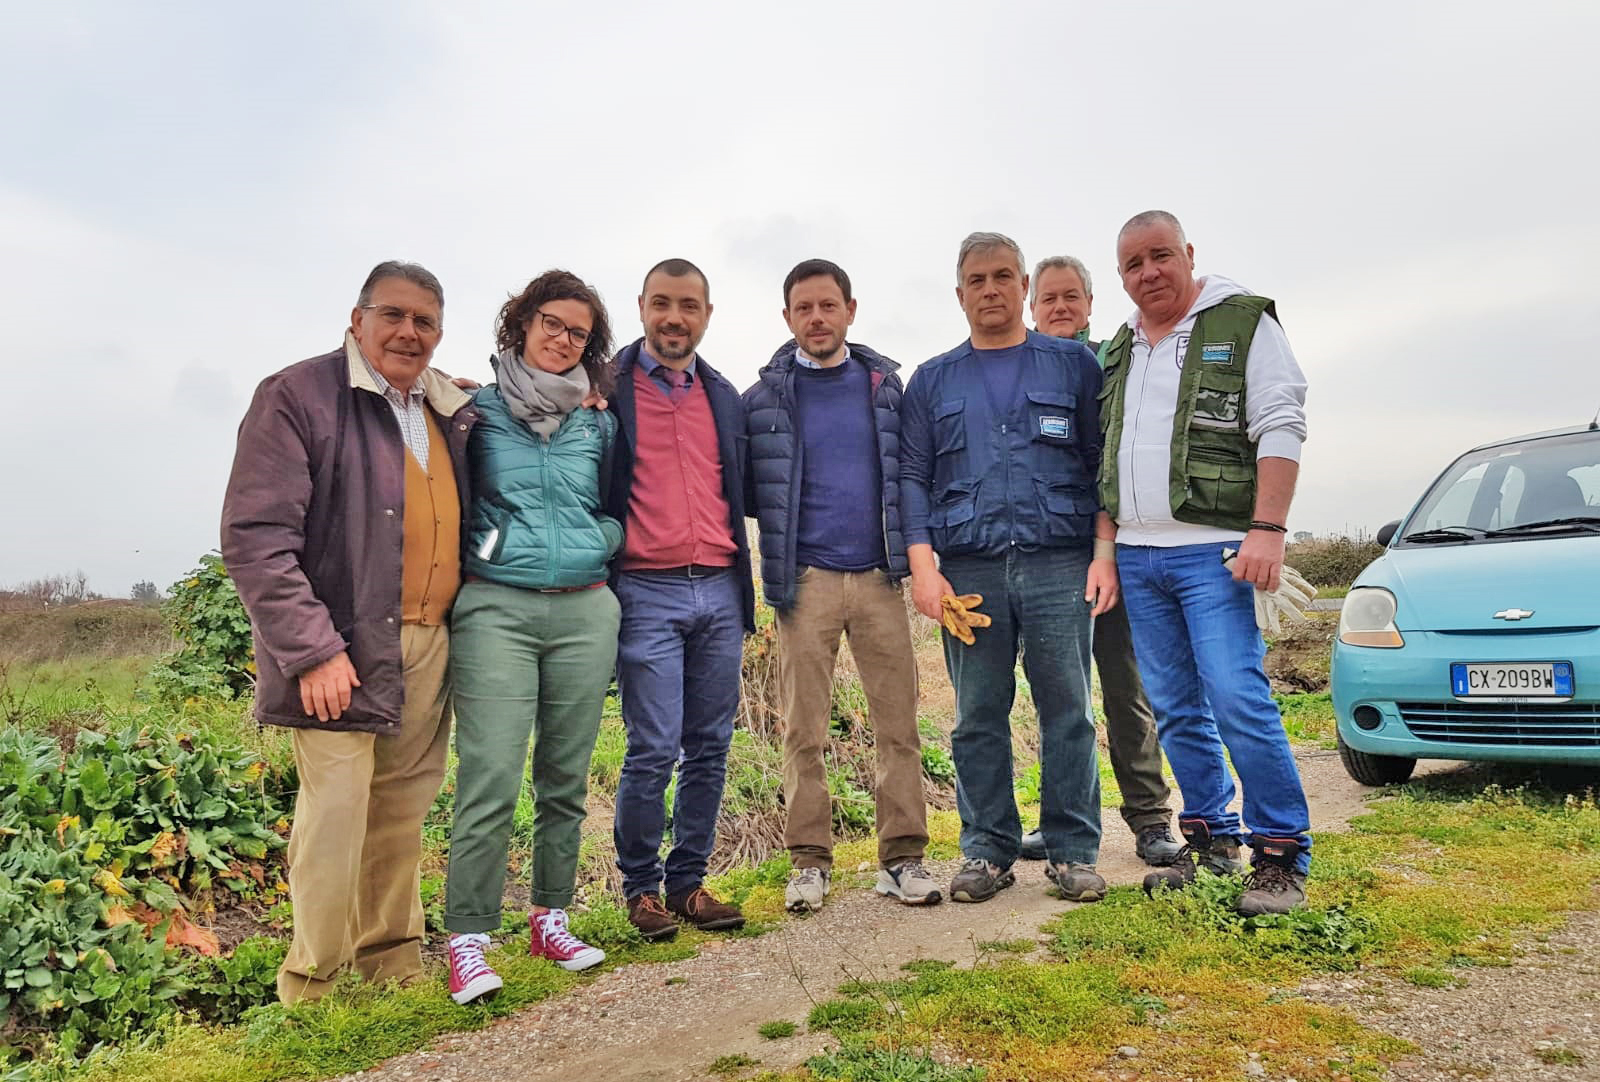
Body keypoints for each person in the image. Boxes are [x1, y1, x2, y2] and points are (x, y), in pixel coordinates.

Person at [221, 261, 477, 1004]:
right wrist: (311, 650)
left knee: (401, 813)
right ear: (357, 318)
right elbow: (256, 536)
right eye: (392, 315)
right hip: (339, 650)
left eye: (424, 321)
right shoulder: (298, 396)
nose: (408, 332)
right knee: (334, 817)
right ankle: (311, 991)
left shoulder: (444, 406)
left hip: (429, 644)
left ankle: (392, 969)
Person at [1100, 210, 1312, 915]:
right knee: (1176, 708)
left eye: (1160, 256)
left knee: (1235, 695)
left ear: (1189, 254)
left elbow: (1281, 420)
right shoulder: (1121, 346)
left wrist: (1269, 529)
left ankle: (1281, 853)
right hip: (1138, 556)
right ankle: (1213, 841)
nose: (1148, 272)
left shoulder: (1244, 322)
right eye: (1133, 264)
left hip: (1215, 552)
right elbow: (1106, 456)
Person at [900, 232, 1118, 905]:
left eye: (1002, 276)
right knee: (978, 715)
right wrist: (922, 570)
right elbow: (911, 476)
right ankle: (987, 850)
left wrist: (1104, 555)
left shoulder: (1073, 368)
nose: (990, 289)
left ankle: (1073, 850)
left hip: (1059, 561)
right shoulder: (933, 380)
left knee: (1069, 711)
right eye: (976, 279)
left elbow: (1099, 466)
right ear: (960, 292)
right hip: (969, 570)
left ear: (1023, 286)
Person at [441, 270, 622, 1004]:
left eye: (578, 332)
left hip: (585, 609)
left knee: (564, 777)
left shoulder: (598, 419)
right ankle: (469, 940)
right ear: (519, 323)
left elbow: (617, 496)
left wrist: (600, 539)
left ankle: (551, 917)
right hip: (496, 609)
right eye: (551, 323)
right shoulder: (470, 411)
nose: (562, 339)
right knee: (489, 775)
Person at [742, 259, 937, 913]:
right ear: (788, 317)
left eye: (828, 305)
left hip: (881, 579)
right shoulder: (762, 399)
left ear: (850, 309)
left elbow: (912, 469)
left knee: (898, 727)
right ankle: (808, 864)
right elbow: (744, 487)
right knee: (803, 731)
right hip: (807, 583)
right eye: (804, 308)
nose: (817, 318)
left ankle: (903, 859)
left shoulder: (885, 388)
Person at [606, 259, 756, 940]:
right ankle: (640, 889)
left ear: (706, 314)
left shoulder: (723, 395)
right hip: (646, 588)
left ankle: (689, 881)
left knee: (710, 744)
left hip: (721, 588)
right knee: (653, 746)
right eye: (662, 303)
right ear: (641, 307)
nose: (675, 317)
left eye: (688, 305)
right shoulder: (605, 387)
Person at [1018, 255, 1182, 869]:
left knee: (1125, 688)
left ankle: (1149, 818)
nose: (1060, 308)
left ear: (1090, 304)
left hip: (1117, 553)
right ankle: (1059, 818)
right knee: (1059, 696)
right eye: (1049, 298)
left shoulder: (1114, 367)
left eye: (1071, 297)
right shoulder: (1019, 369)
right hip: (1051, 560)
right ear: (1033, 306)